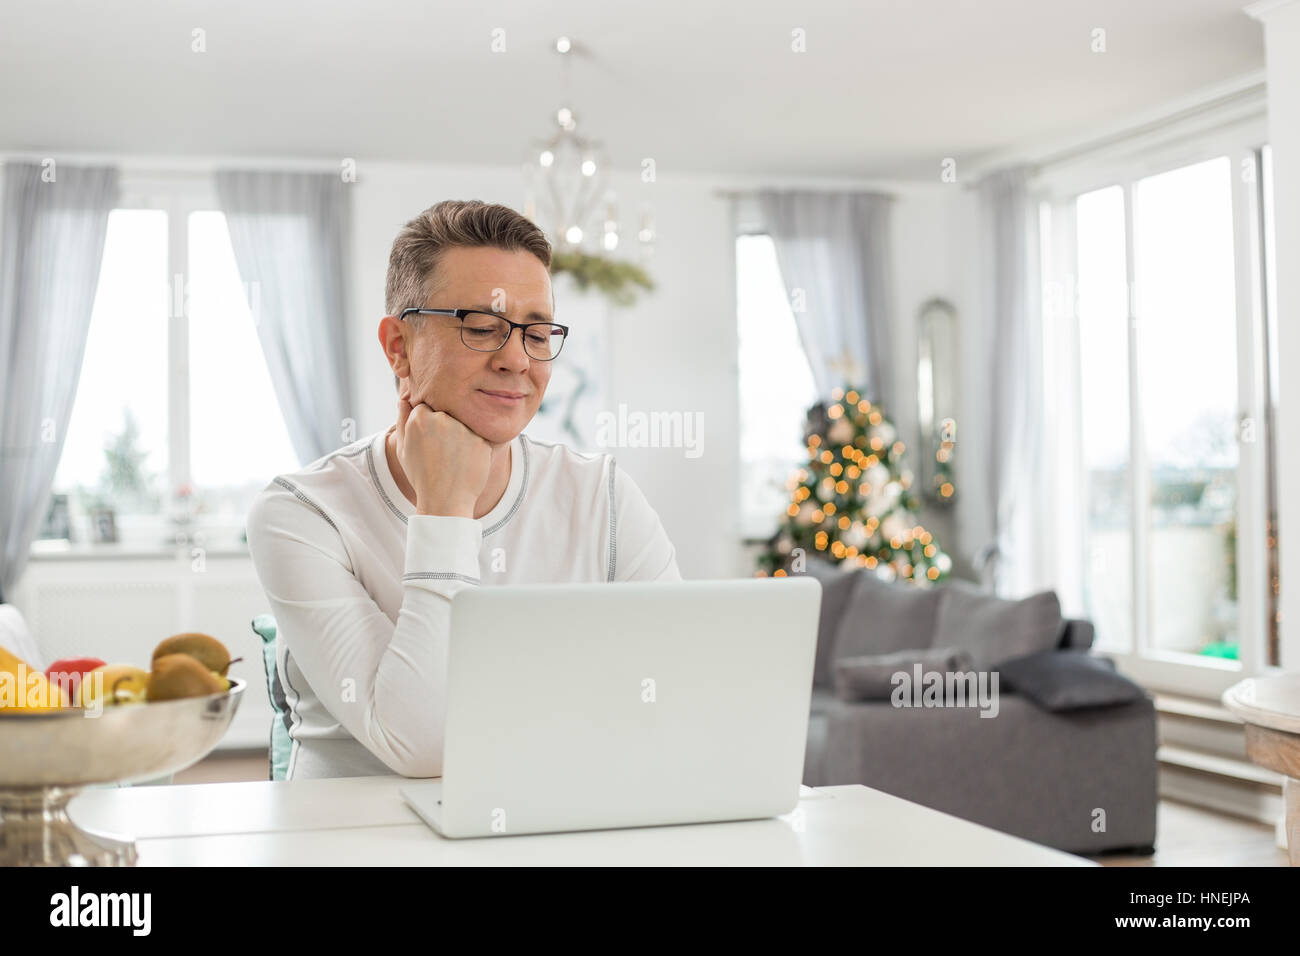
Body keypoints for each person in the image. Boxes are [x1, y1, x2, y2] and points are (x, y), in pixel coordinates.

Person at [245, 200, 680, 780]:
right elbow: (422, 745)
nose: (516, 360)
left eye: (539, 332)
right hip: (355, 843)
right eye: (482, 329)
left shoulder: (604, 497)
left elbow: (675, 698)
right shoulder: (301, 513)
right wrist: (445, 510)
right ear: (399, 346)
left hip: (549, 824)